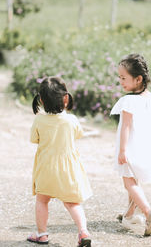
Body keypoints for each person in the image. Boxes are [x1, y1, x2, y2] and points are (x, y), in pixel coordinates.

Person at [110, 53, 151, 236]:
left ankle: (148, 212)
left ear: (138, 79)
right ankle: (129, 214)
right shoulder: (150, 97)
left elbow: (126, 128)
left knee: (129, 182)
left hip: (130, 147)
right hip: (145, 148)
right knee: (133, 181)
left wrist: (122, 151)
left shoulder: (129, 100)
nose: (120, 81)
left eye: (123, 78)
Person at [27, 77, 92, 247]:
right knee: (72, 203)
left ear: (41, 100)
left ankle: (42, 234)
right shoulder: (71, 120)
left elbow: (34, 139)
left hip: (46, 168)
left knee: (42, 201)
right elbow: (79, 134)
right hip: (67, 170)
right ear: (65, 98)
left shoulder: (39, 120)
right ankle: (83, 231)